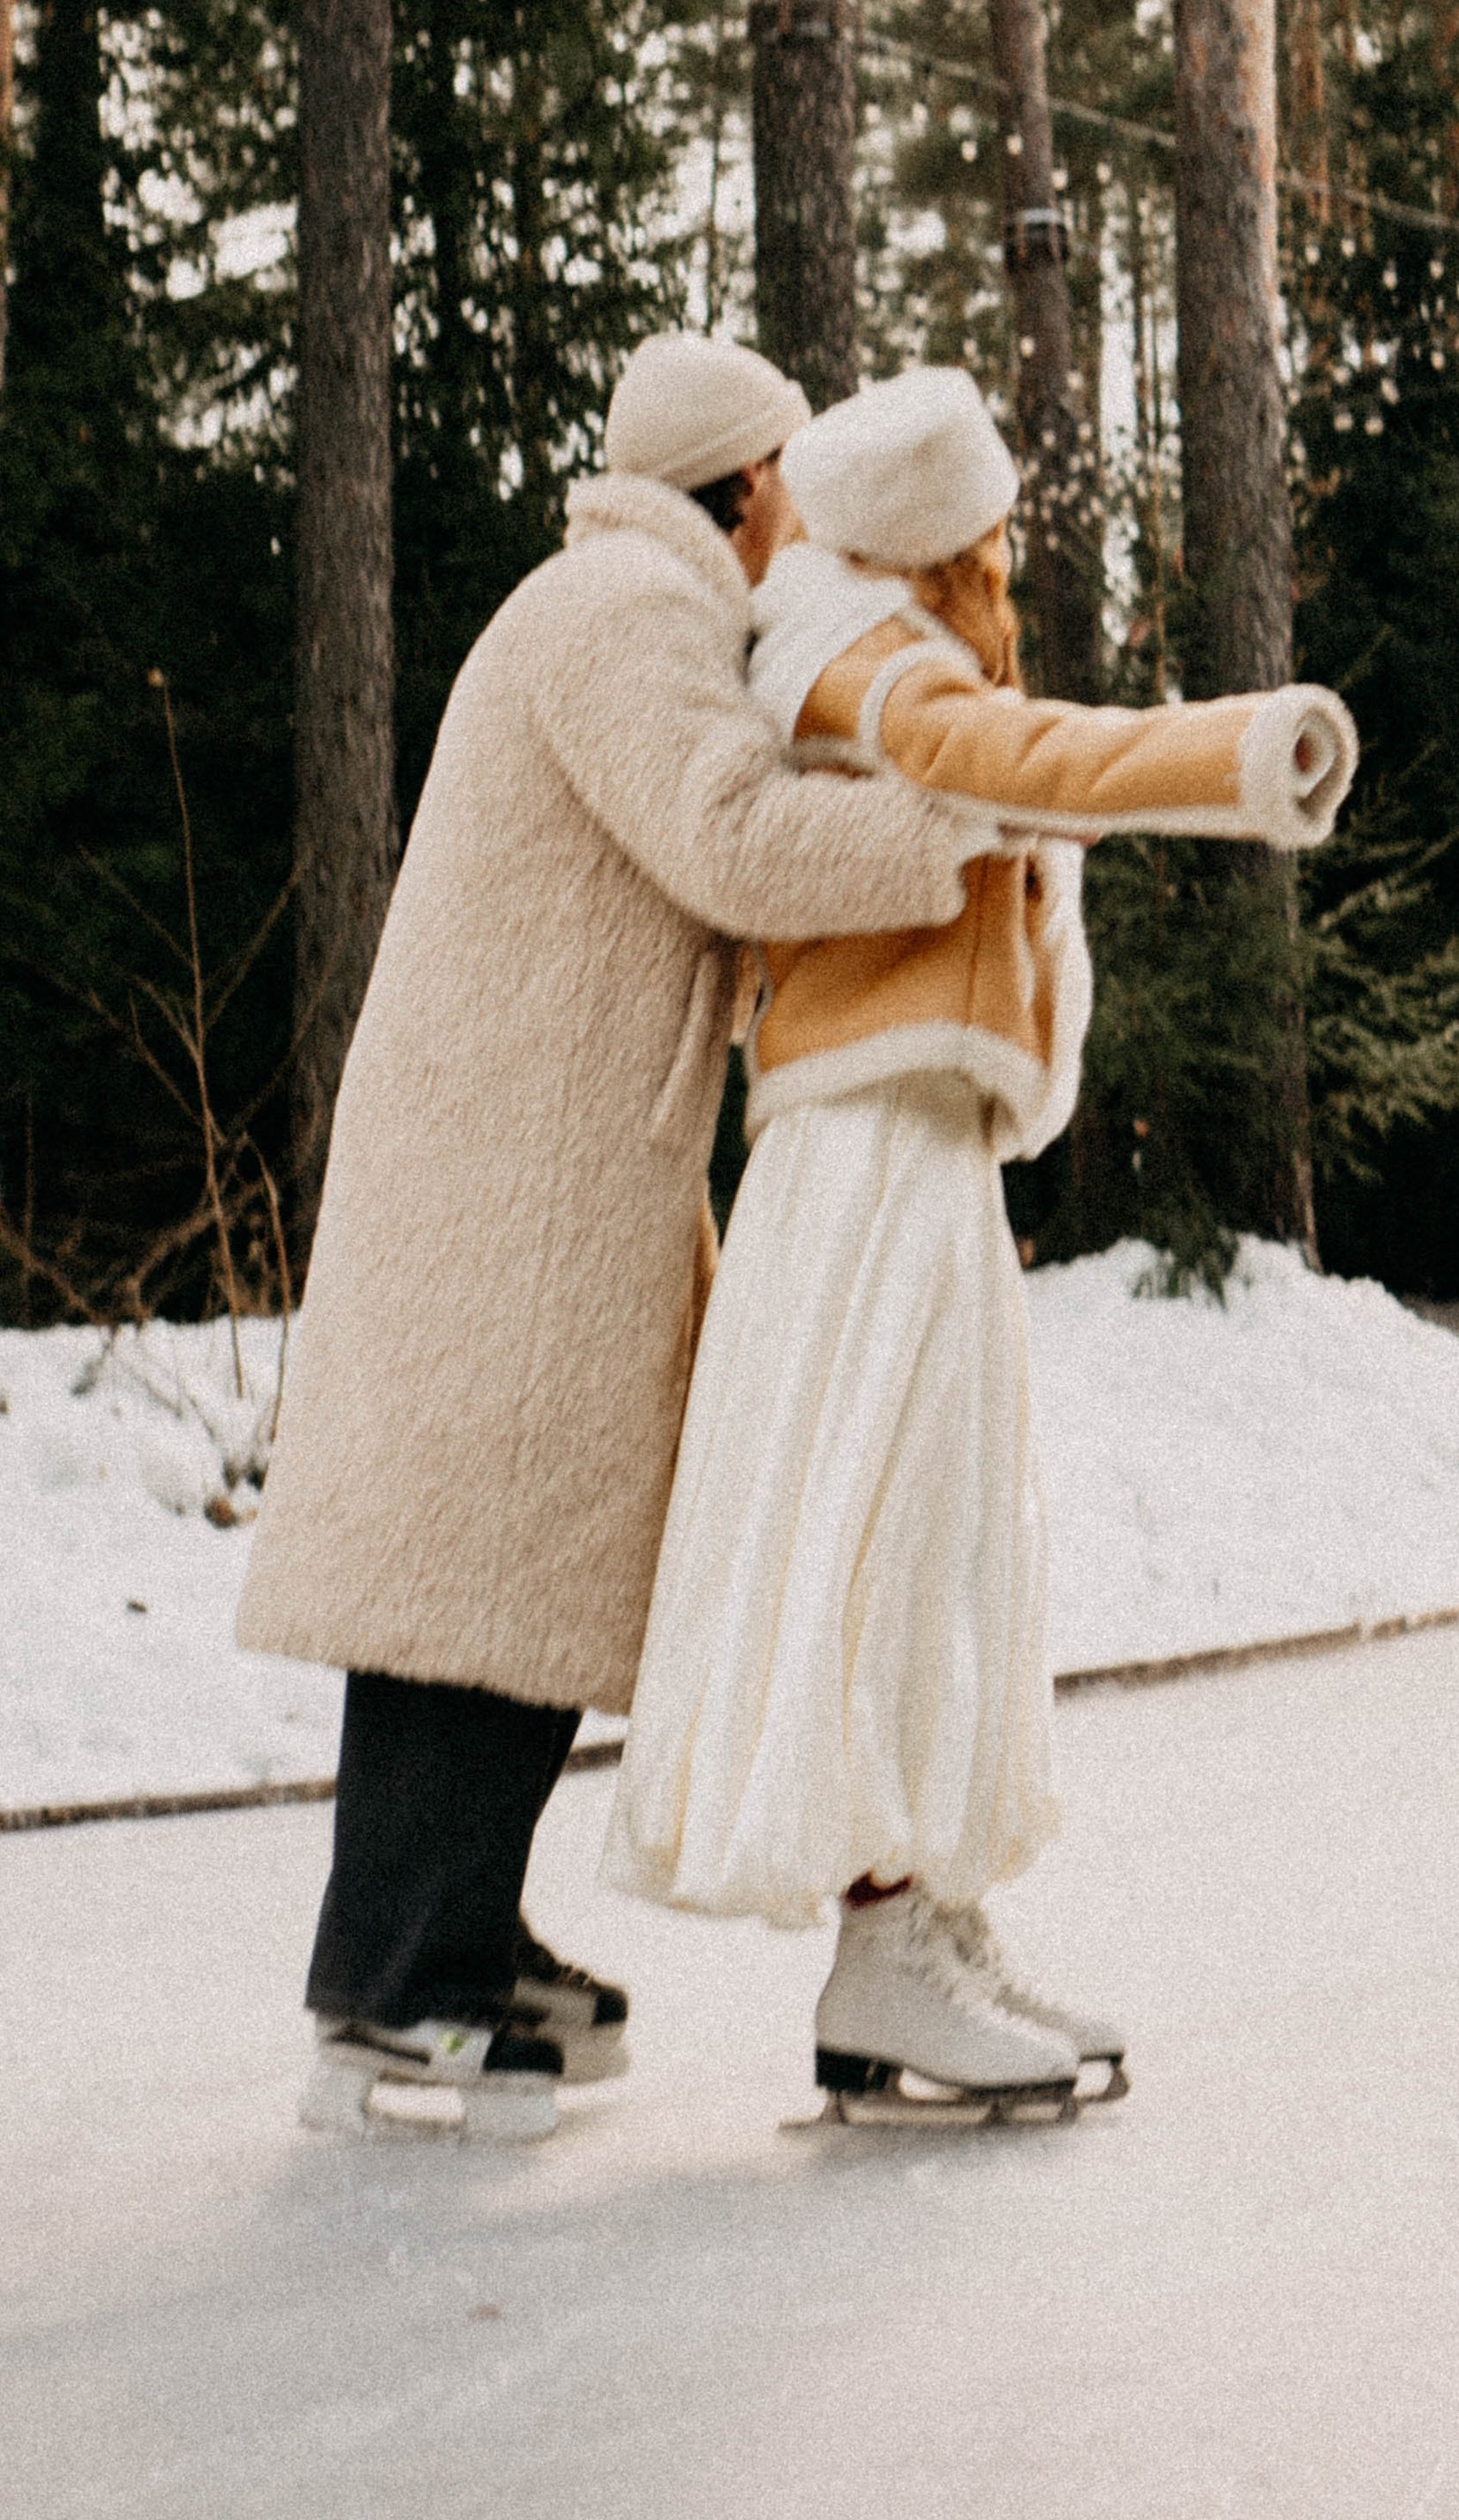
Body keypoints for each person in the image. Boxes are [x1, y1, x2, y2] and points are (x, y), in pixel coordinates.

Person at [237, 333, 1003, 2145]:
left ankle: (449, 1930)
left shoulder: (623, 610)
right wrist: (946, 826)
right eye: (786, 493)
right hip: (510, 1181)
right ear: (737, 490)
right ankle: (395, 1977)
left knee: (504, 1576)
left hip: (543, 1171)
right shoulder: (615, 614)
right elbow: (724, 838)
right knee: (465, 1582)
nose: (798, 526)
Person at [603, 366, 1357, 2120]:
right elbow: (1005, 759)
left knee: (941, 1535)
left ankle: (925, 1926)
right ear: (946, 534)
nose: (1002, 558)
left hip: (913, 1143)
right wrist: (1239, 751)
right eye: (992, 529)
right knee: (883, 1526)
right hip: (861, 1150)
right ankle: (883, 1962)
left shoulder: (878, 634)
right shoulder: (855, 654)